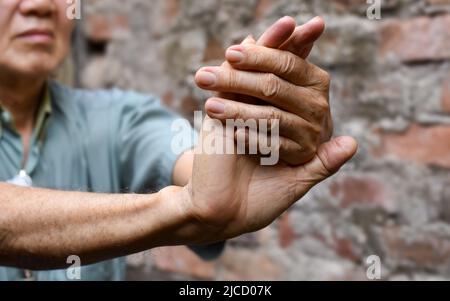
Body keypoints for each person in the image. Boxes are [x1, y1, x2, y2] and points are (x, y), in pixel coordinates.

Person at [0, 0, 357, 281]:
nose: (40, 5)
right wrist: (184, 208)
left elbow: (191, 164)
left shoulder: (117, 118)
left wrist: (260, 145)